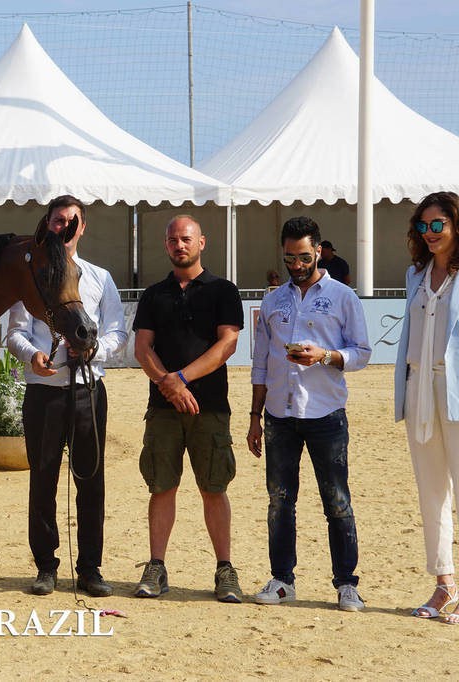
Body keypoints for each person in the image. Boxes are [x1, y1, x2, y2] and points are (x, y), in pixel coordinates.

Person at [5, 195, 127, 598]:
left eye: (71, 221)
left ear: (82, 227)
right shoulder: (32, 277)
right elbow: (15, 334)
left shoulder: (99, 277)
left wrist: (96, 350)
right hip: (43, 393)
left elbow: (117, 332)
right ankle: (45, 567)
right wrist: (32, 354)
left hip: (88, 392)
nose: (64, 227)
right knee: (42, 481)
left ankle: (90, 568)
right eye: (58, 221)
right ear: (48, 225)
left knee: (91, 482)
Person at [247, 216, 371, 612]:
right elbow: (261, 362)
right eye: (289, 257)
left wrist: (327, 356)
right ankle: (283, 580)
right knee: (279, 501)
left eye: (303, 256)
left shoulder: (342, 297)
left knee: (337, 501)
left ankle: (346, 584)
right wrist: (254, 415)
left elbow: (362, 353)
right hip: (278, 415)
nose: (296, 264)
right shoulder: (272, 300)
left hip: (325, 413)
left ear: (318, 251)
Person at [131, 215, 244, 603]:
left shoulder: (223, 291)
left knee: (213, 487)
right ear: (166, 245)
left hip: (210, 406)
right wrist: (168, 384)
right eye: (173, 240)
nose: (180, 245)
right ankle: (156, 566)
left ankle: (225, 570)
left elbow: (227, 345)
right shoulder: (154, 294)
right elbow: (142, 349)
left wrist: (181, 378)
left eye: (187, 239)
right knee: (162, 486)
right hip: (162, 408)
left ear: (202, 242)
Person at [393, 191, 459, 623]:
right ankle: (443, 585)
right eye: (423, 225)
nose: (430, 233)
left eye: (438, 225)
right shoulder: (414, 274)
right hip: (420, 387)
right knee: (430, 491)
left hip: (455, 389)